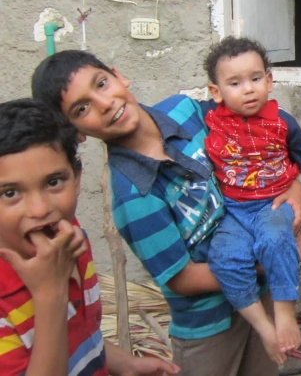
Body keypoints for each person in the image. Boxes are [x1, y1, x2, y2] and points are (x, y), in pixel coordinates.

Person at [31, 50, 301, 376]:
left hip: (263, 300)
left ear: (118, 75)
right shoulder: (132, 197)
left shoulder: (188, 111)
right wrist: (270, 265)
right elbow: (182, 278)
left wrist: (291, 188)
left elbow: (257, 143)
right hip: (208, 330)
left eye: (102, 84)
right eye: (82, 109)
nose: (105, 103)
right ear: (76, 131)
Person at [202, 36, 301, 364]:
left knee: (274, 239)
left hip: (273, 204)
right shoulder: (210, 120)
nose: (248, 89)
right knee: (224, 257)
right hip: (233, 212)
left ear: (269, 81)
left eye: (256, 78)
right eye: (235, 82)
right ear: (216, 92)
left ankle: (284, 313)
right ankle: (262, 326)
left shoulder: (282, 121)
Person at [0, 98, 180, 376]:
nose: (40, 209)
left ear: (77, 178)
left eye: (53, 182)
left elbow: (83, 332)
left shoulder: (71, 240)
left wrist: (125, 363)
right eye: (10, 193)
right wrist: (50, 295)